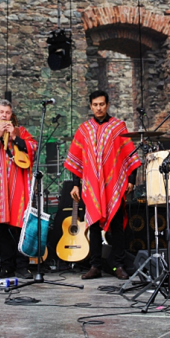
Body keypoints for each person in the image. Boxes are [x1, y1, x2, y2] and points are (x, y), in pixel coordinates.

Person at [65, 90, 140, 280]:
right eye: (95, 105)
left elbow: (129, 154)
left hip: (113, 184)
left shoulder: (118, 127)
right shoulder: (84, 129)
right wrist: (76, 184)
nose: (99, 108)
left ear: (107, 105)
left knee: (117, 226)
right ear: (91, 106)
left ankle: (118, 265)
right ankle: (95, 266)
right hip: (91, 186)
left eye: (102, 104)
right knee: (94, 225)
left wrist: (131, 179)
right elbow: (77, 159)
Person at [0, 100, 38, 279]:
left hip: (18, 185)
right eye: (1, 112)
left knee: (20, 225)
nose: (4, 115)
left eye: (8, 112)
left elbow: (33, 148)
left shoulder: (21, 131)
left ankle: (22, 266)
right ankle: (6, 265)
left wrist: (16, 138)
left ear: (12, 115)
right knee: (2, 227)